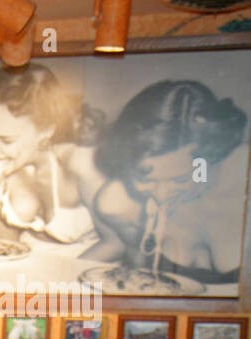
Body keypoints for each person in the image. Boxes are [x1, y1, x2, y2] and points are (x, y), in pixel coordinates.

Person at [90, 79, 246, 284]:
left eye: (180, 179)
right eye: (144, 180)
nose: (161, 195)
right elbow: (138, 279)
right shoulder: (117, 204)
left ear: (208, 160)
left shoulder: (242, 181)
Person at [0, 65, 102, 244]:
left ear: (46, 131)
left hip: (88, 266)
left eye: (6, 140)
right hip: (27, 265)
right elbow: (3, 242)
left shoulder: (79, 162)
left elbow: (119, 244)